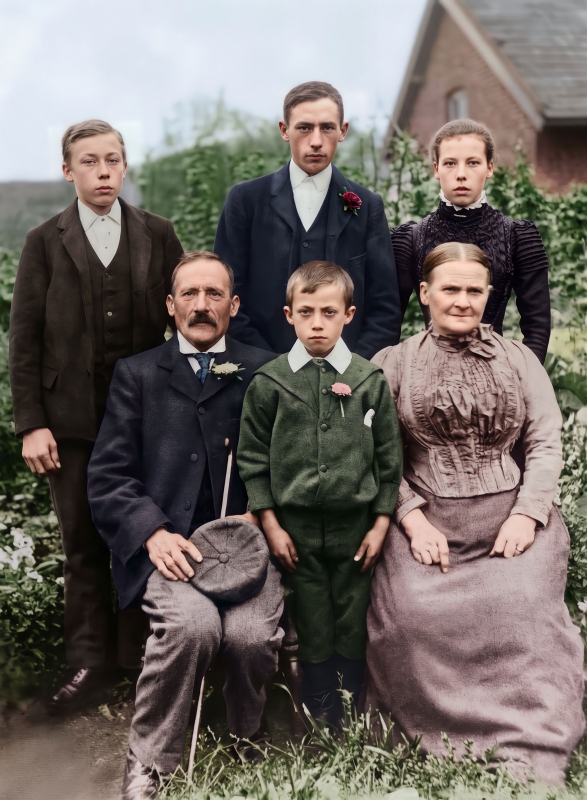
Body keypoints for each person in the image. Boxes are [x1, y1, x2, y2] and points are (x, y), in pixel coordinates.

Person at [366, 242, 584, 785]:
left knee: (523, 611)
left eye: (473, 291)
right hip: (423, 522)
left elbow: (545, 442)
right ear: (425, 294)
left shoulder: (518, 359)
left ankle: (529, 745)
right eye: (450, 289)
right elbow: (370, 452)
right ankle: (436, 744)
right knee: (413, 617)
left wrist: (528, 514)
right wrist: (411, 519)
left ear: (489, 296)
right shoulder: (391, 363)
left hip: (509, 519)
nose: (462, 301)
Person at [87, 252, 283, 800]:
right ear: (171, 306)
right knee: (193, 626)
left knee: (248, 635)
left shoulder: (265, 370)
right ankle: (149, 759)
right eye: (190, 295)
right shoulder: (138, 375)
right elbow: (108, 476)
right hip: (170, 552)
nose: (202, 305)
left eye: (214, 294)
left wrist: (262, 513)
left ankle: (247, 731)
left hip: (246, 547)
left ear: (234, 305)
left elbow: (294, 465)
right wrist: (151, 532)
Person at [8, 119, 184, 711]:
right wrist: (32, 422)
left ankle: (141, 661)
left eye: (113, 160)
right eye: (89, 162)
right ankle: (88, 666)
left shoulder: (158, 235)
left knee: (141, 532)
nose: (103, 171)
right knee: (82, 539)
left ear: (126, 166)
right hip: (71, 422)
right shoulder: (44, 240)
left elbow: (183, 321)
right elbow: (24, 338)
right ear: (68, 171)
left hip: (145, 419)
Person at [237, 261, 402, 723]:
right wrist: (271, 524)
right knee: (309, 617)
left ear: (348, 315)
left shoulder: (369, 380)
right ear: (288, 314)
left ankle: (351, 711)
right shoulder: (270, 382)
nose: (316, 323)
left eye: (328, 312)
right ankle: (318, 713)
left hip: (356, 529)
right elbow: (252, 460)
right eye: (305, 311)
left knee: (353, 618)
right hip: (297, 532)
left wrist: (381, 522)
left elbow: (389, 461)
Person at [214, 81, 401, 358]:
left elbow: (384, 307)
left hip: (346, 380)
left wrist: (354, 372)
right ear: (284, 130)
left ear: (342, 131)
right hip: (262, 375)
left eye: (327, 127)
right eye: (304, 127)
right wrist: (269, 369)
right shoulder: (246, 200)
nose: (316, 140)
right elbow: (227, 296)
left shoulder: (368, 205)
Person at [393, 119, 551, 363]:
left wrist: (523, 376)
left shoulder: (516, 236)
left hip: (497, 373)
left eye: (473, 163)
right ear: (436, 169)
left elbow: (537, 323)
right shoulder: (410, 239)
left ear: (489, 167)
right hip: (428, 371)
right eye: (450, 163)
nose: (461, 175)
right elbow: (388, 320)